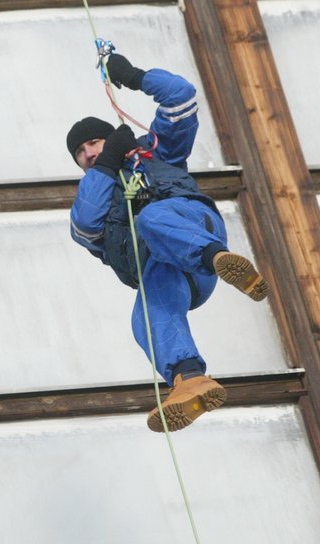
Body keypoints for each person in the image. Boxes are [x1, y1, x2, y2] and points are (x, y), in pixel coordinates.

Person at [67, 52, 269, 432]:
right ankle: (190, 378)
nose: (89, 154)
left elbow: (181, 96)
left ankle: (220, 259)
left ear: (111, 137)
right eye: (81, 153)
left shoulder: (156, 151)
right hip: (171, 274)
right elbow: (83, 227)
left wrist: (132, 76)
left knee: (152, 218)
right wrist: (107, 166)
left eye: (94, 143)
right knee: (143, 314)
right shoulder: (95, 193)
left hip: (193, 231)